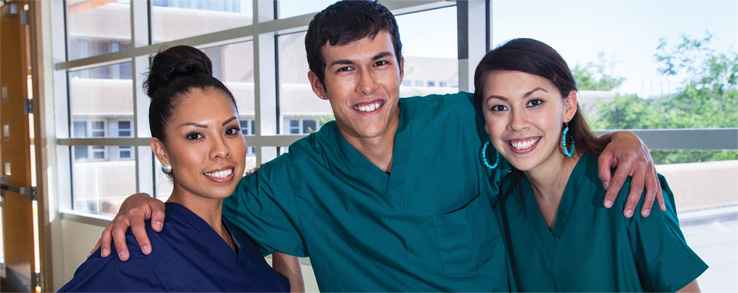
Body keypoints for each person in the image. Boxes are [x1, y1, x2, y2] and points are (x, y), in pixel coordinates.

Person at [94, 1, 664, 291]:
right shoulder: (295, 181)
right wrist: (139, 201)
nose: (367, 87)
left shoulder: (460, 124)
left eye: (380, 64)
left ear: (399, 68)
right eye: (345, 70)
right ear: (318, 84)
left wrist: (622, 139)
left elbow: (532, 130)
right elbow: (204, 210)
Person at [474, 38, 708, 291]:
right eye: (499, 107)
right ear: (486, 122)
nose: (517, 123)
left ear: (568, 106)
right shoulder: (503, 204)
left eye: (534, 102)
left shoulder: (630, 187)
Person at [60, 46, 297, 292]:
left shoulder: (237, 236)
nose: (221, 150)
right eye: (195, 135)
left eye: (230, 130)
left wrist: (282, 227)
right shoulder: (141, 248)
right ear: (161, 150)